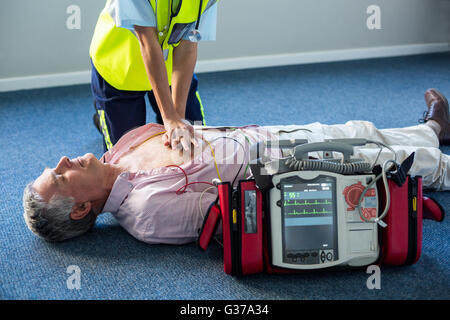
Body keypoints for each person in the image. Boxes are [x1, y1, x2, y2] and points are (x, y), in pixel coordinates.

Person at [23, 89, 450, 244]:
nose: (64, 160)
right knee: (382, 161)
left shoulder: (119, 149)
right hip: (284, 167)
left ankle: (433, 129)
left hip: (259, 133)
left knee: (356, 128)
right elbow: (242, 215)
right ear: (81, 209)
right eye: (61, 175)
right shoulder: (146, 213)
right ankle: (441, 167)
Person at [89, 0, 218, 152]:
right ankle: (104, 119)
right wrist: (170, 118)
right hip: (120, 67)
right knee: (126, 158)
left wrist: (179, 119)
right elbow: (147, 42)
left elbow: (188, 45)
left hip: (169, 70)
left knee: (193, 146)